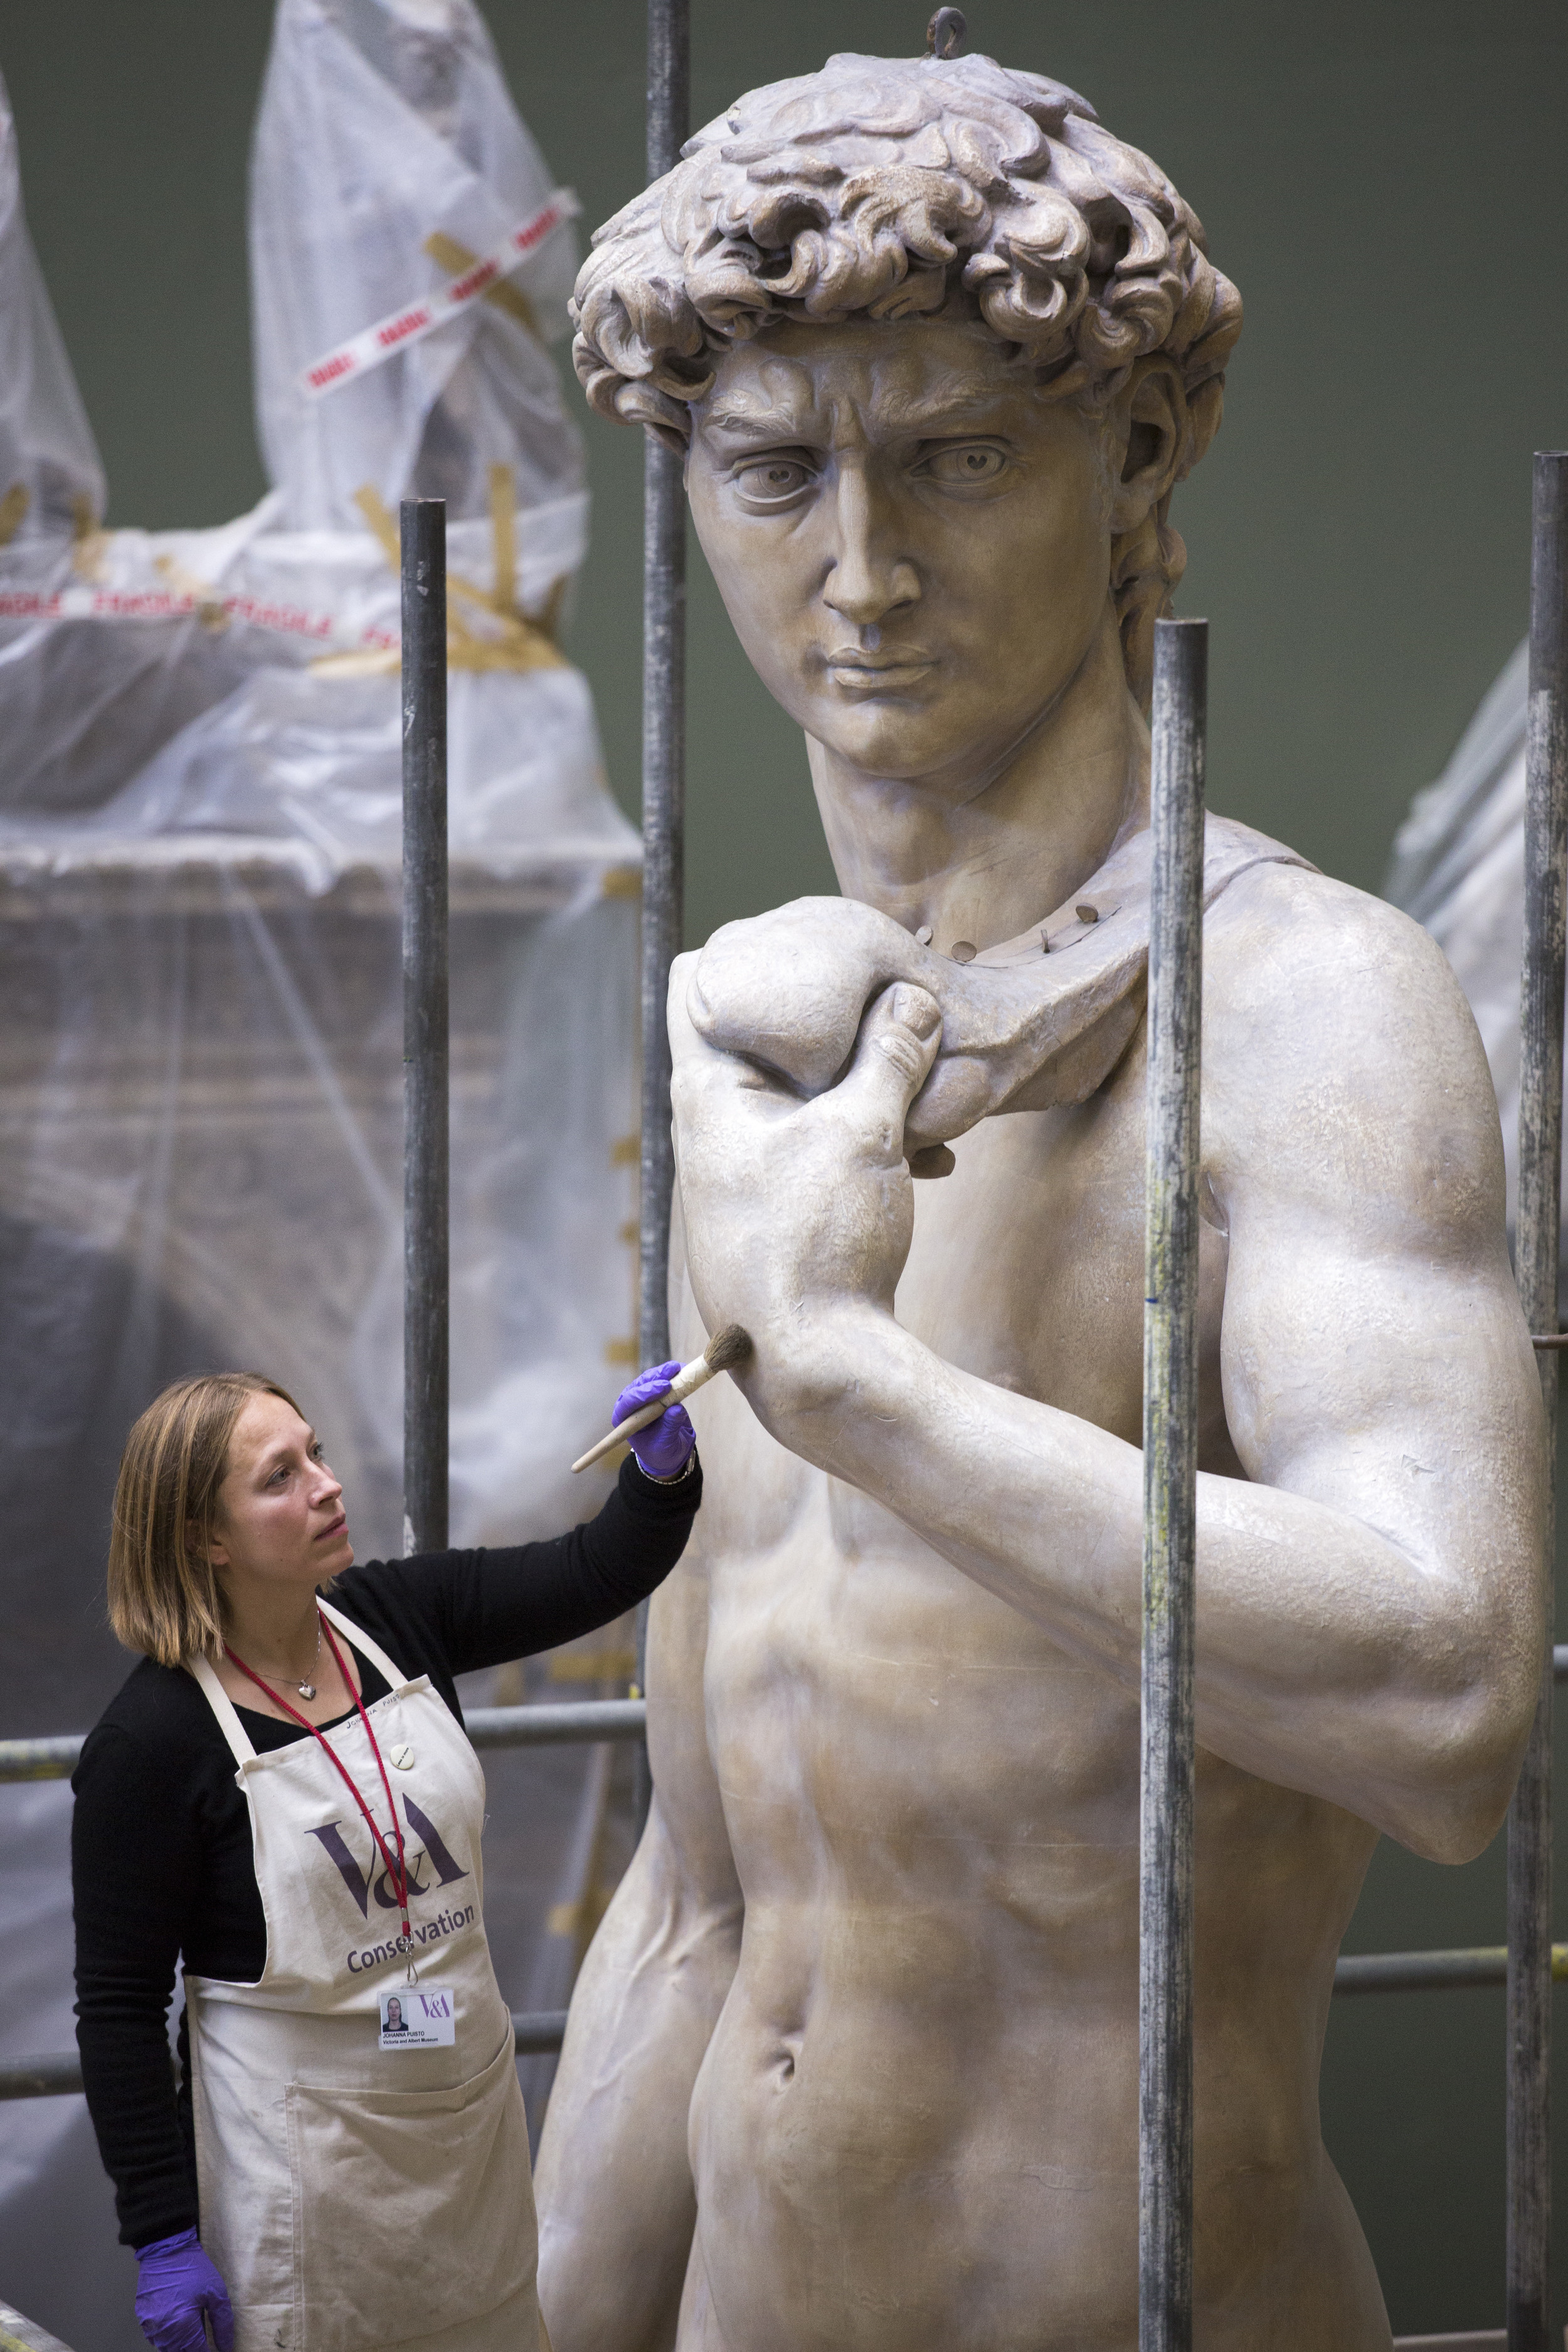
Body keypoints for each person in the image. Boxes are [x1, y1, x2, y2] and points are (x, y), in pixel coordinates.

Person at [534, 46, 1544, 2349]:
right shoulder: (770, 1048)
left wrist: (860, 1388)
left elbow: (1453, 1696)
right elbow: (703, 1920)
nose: (858, 574)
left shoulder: (1307, 1016)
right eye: (772, 472)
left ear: (1139, 455)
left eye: (958, 458)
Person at [73, 1362, 700, 2352]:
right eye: (279, 1476)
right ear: (207, 1537)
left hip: (467, 2152)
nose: (326, 1483)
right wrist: (161, 2235)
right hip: (302, 2186)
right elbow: (117, 2007)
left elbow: (597, 1569)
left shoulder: (395, 1617)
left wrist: (658, 1476)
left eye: (316, 1451)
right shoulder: (151, 1744)